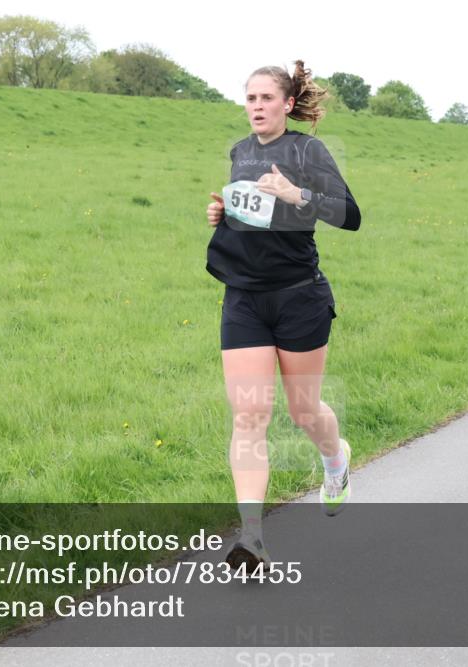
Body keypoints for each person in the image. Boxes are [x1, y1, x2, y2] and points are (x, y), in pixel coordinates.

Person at [204, 60, 361, 572]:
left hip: (298, 297)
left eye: (266, 98)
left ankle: (335, 459)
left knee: (303, 411)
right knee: (249, 415)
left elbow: (350, 215)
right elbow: (255, 216)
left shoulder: (306, 150)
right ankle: (252, 538)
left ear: (287, 104)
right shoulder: (240, 151)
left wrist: (298, 194)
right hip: (245, 298)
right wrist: (223, 214)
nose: (256, 107)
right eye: (249, 98)